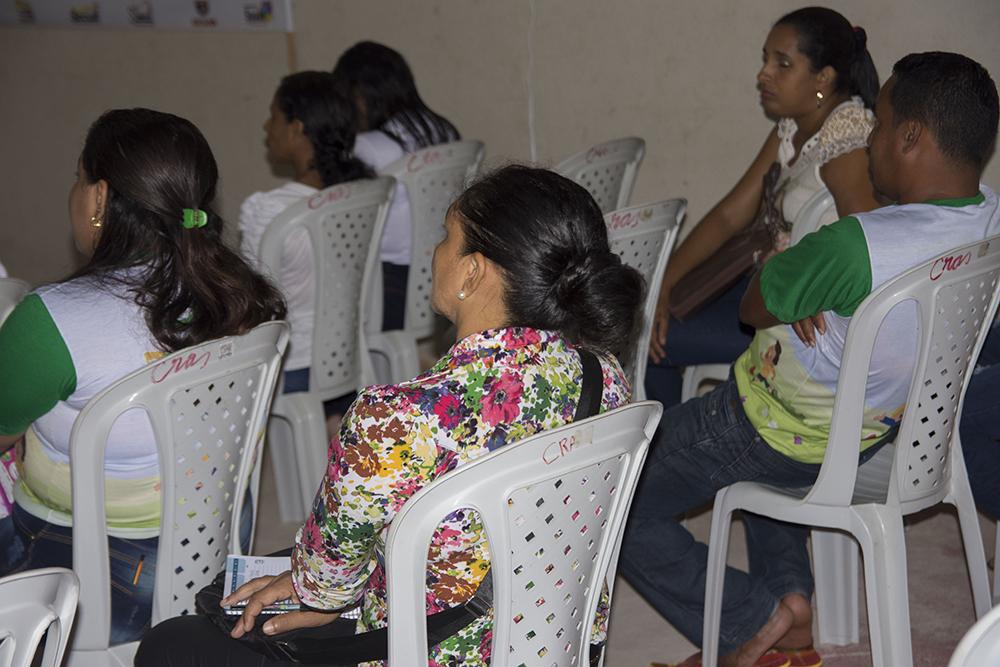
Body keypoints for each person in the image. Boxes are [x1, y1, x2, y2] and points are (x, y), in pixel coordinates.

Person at [135, 165, 644, 666]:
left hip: (426, 651)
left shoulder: (397, 419)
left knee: (171, 644)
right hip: (554, 646)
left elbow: (329, 580)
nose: (433, 253)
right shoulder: (607, 379)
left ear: (472, 271)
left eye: (447, 237)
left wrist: (313, 587)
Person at [621, 52, 1000, 667]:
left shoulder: (856, 246)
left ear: (910, 136)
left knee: (617, 494)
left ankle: (751, 619)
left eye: (877, 125)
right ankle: (791, 610)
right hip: (873, 433)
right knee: (764, 469)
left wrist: (782, 268)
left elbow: (752, 305)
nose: (869, 140)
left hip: (769, 427)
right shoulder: (989, 215)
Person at [0, 108, 286, 644]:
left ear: (100, 197)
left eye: (78, 176)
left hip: (91, 580)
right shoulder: (244, 298)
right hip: (211, 549)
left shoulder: (50, 321)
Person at [645, 7, 881, 410]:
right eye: (766, 60)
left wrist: (813, 293)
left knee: (651, 340)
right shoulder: (795, 125)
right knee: (646, 315)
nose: (764, 74)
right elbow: (730, 214)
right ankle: (666, 442)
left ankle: (665, 452)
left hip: (800, 319)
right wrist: (663, 284)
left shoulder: (847, 142)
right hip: (767, 285)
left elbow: (871, 242)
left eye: (782, 64)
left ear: (823, 78)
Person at [240, 70, 373, 410]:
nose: (266, 127)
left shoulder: (271, 210)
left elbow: (253, 305)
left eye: (274, 117)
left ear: (297, 128)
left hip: (292, 367)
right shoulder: (361, 196)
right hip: (347, 357)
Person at [333, 41, 461, 331]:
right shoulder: (444, 130)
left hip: (393, 282)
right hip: (444, 268)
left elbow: (351, 230)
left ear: (359, 96)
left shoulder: (369, 147)